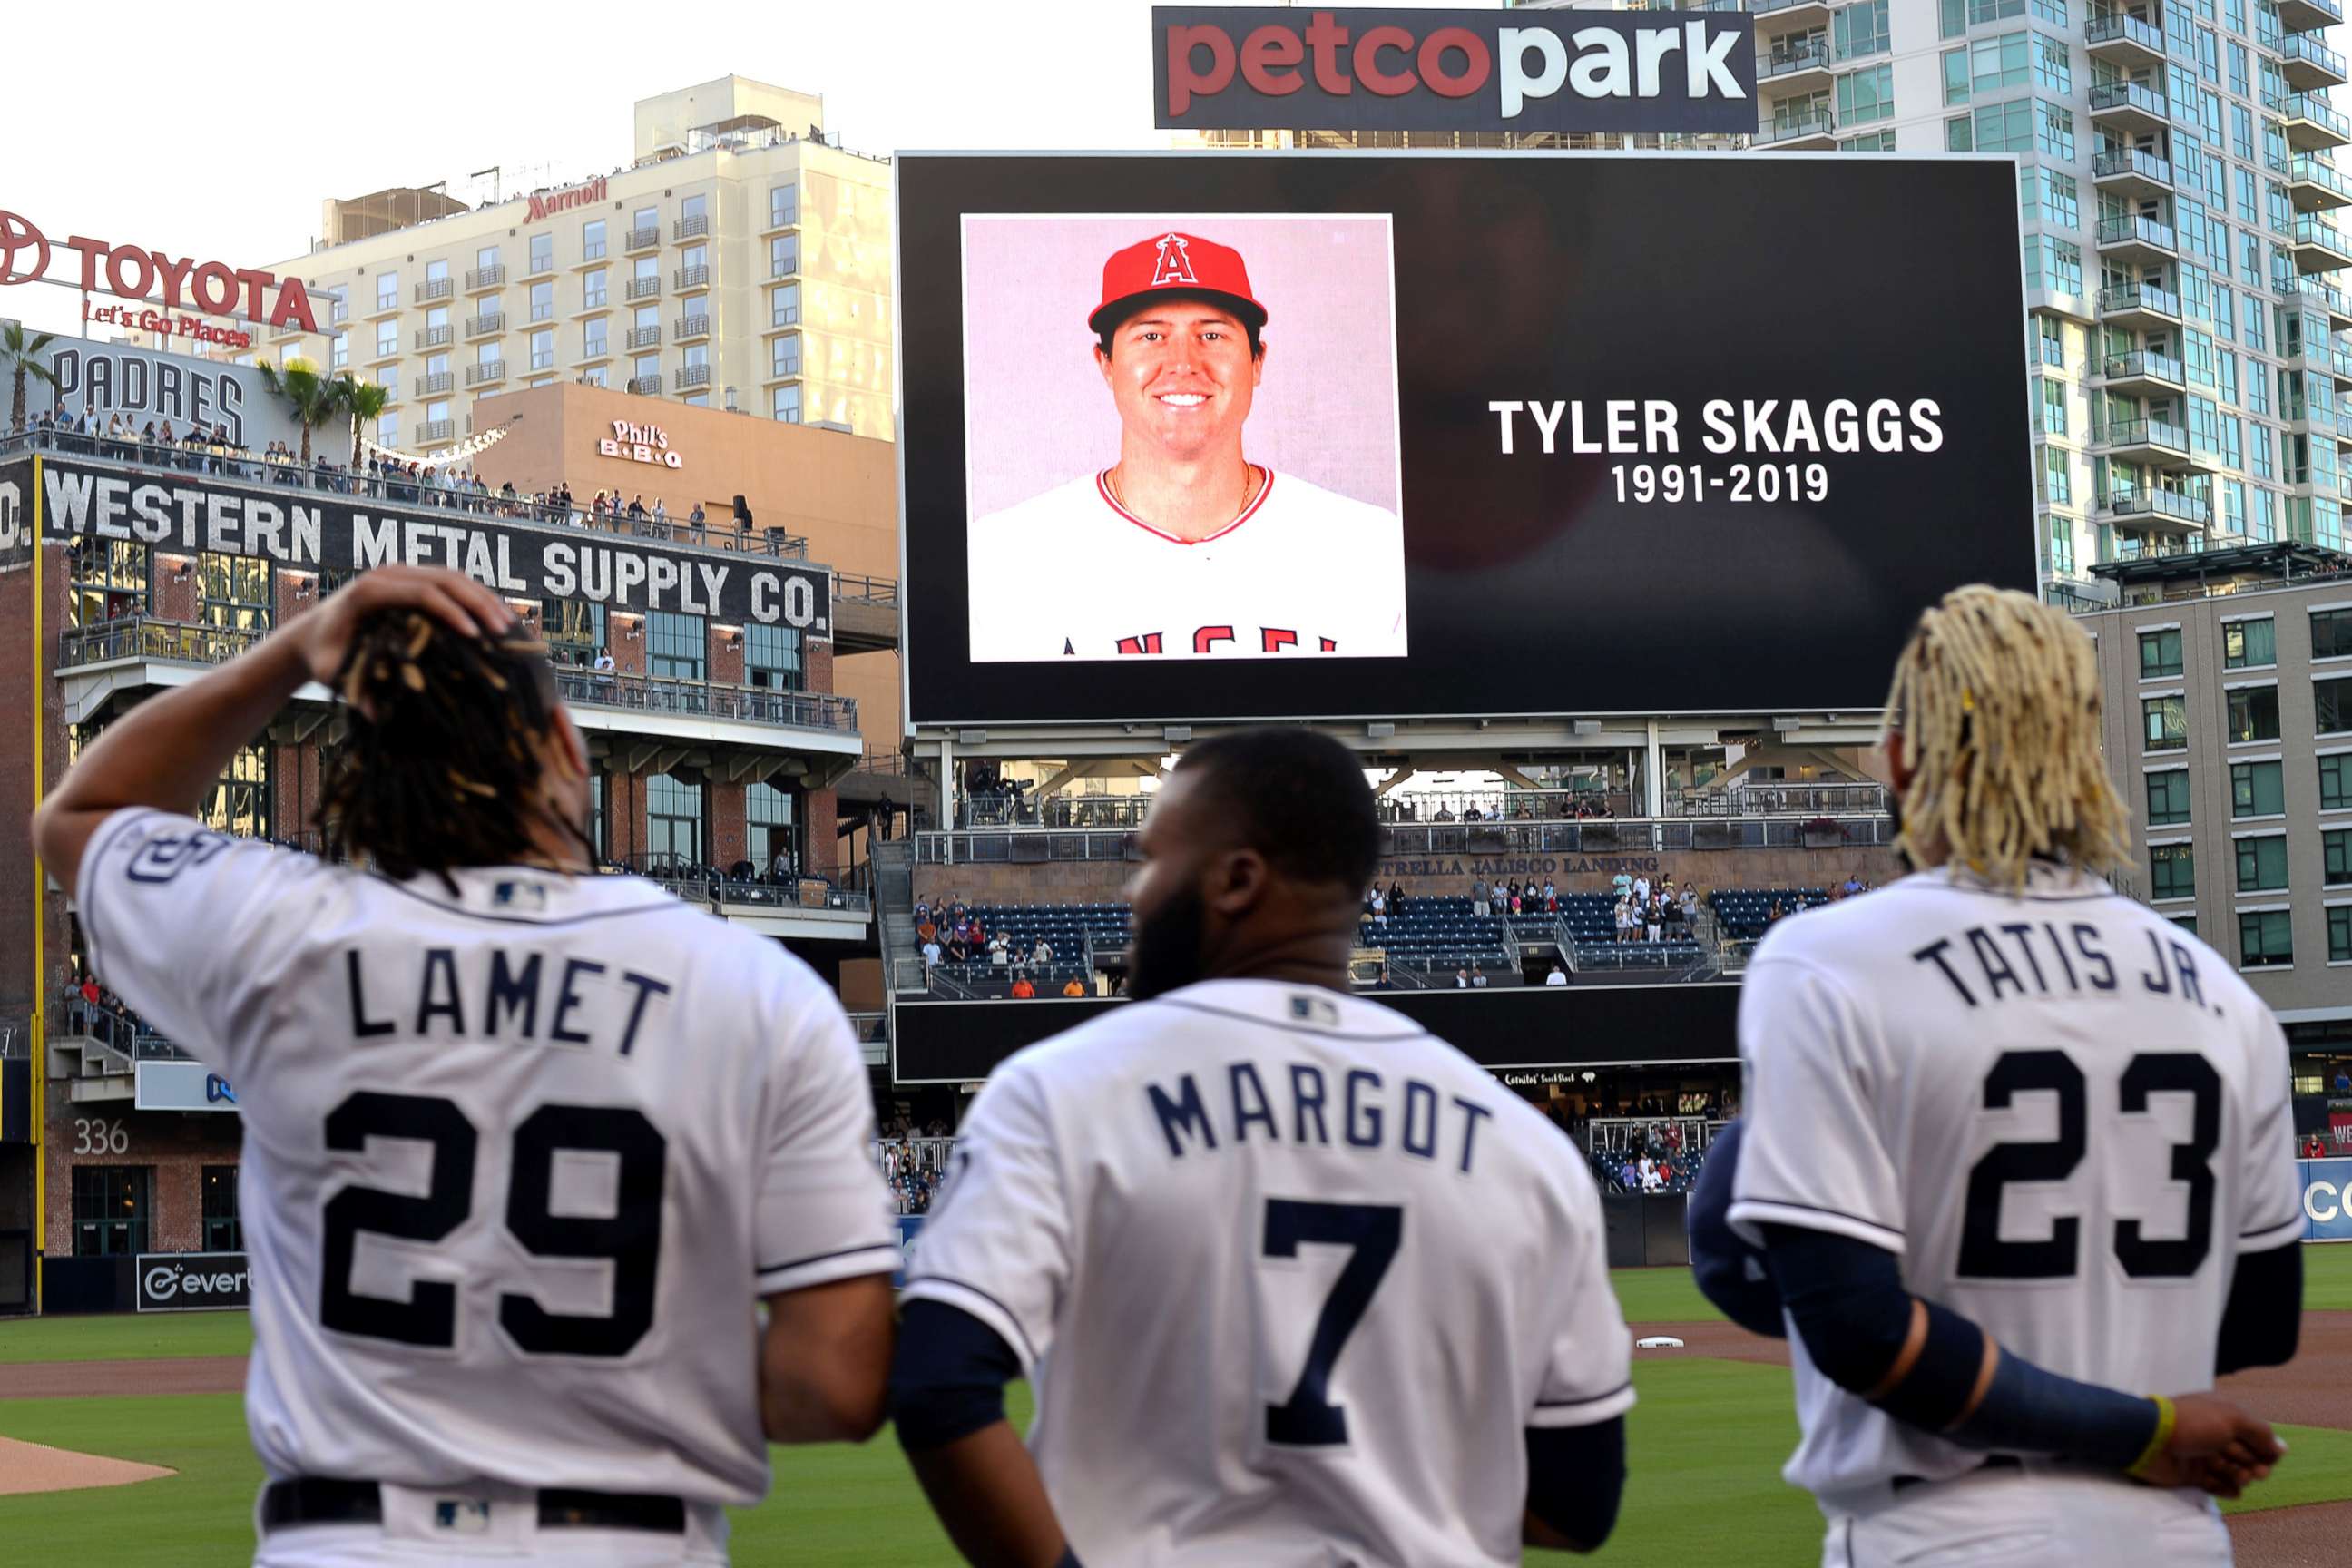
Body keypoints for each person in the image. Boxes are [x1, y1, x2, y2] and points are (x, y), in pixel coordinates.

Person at [30, 564, 898, 1568]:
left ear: (369, 771)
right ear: (567, 749)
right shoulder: (753, 987)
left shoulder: (285, 937)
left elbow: (80, 820)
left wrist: (296, 647)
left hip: (352, 1544)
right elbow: (836, 1381)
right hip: (625, 1545)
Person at [888, 728, 1632, 1565]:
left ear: (1237, 879)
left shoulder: (1062, 1093)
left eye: (1151, 862)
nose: (1134, 895)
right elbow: (1579, 1502)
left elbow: (938, 1384)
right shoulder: (1524, 1151)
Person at [1698, 585, 2301, 1567]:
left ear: (1897, 757)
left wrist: (2132, 1426)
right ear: (2082, 757)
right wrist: (2121, 1374)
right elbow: (2261, 1318)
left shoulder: (1832, 958)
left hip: (1947, 1530)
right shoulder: (2223, 997)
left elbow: (1850, 1322)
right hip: (2175, 1539)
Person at [965, 231, 1406, 661]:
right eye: (1151, 336)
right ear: (1106, 364)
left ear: (1257, 362)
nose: (1182, 364)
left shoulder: (1371, 549)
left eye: (1212, 335)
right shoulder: (1003, 558)